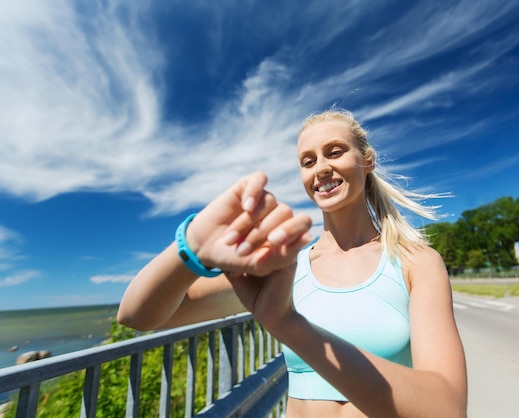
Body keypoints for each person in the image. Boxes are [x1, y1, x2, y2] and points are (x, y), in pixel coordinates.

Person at [118, 109, 467, 418]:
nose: (322, 168)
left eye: (335, 152)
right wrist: (191, 246)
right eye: (308, 161)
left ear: (367, 160)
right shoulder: (285, 268)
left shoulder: (415, 262)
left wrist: (289, 325)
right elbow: (138, 316)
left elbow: (447, 409)